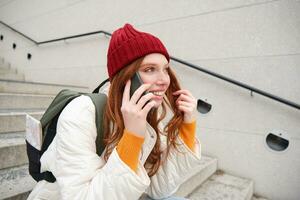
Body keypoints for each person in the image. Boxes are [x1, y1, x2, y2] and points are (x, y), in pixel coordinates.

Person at [27, 23, 202, 200]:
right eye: (150, 69)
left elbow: (159, 189)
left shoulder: (146, 113)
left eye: (165, 69)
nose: (165, 80)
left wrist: (188, 128)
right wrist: (133, 136)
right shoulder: (81, 112)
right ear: (125, 76)